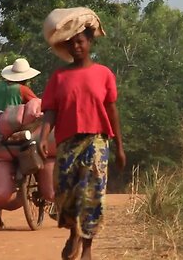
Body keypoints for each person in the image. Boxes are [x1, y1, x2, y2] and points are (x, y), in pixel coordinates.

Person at [39, 27, 126, 260]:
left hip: (96, 139)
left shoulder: (104, 74)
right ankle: (73, 233)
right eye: (71, 43)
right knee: (65, 192)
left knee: (92, 193)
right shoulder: (59, 77)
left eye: (80, 42)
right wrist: (42, 137)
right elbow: (50, 111)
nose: (76, 47)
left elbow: (111, 109)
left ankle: (87, 247)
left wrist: (119, 146)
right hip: (67, 142)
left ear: (90, 42)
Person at [0, 58, 40, 231]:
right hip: (14, 137)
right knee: (33, 158)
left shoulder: (0, 87)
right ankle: (30, 184)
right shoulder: (23, 89)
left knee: (2, 177)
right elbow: (37, 106)